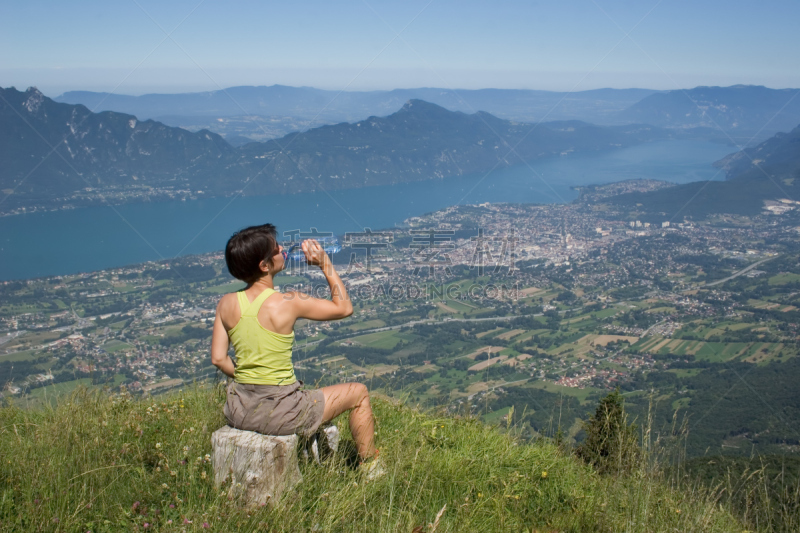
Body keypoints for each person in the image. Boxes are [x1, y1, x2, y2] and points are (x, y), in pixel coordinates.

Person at [210, 223, 380, 470]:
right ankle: (371, 467)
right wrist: (324, 263)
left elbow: (218, 358)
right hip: (282, 411)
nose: (281, 248)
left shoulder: (226, 303)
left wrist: (250, 378)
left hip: (240, 409)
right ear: (265, 266)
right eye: (275, 248)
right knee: (359, 393)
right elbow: (344, 308)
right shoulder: (288, 302)